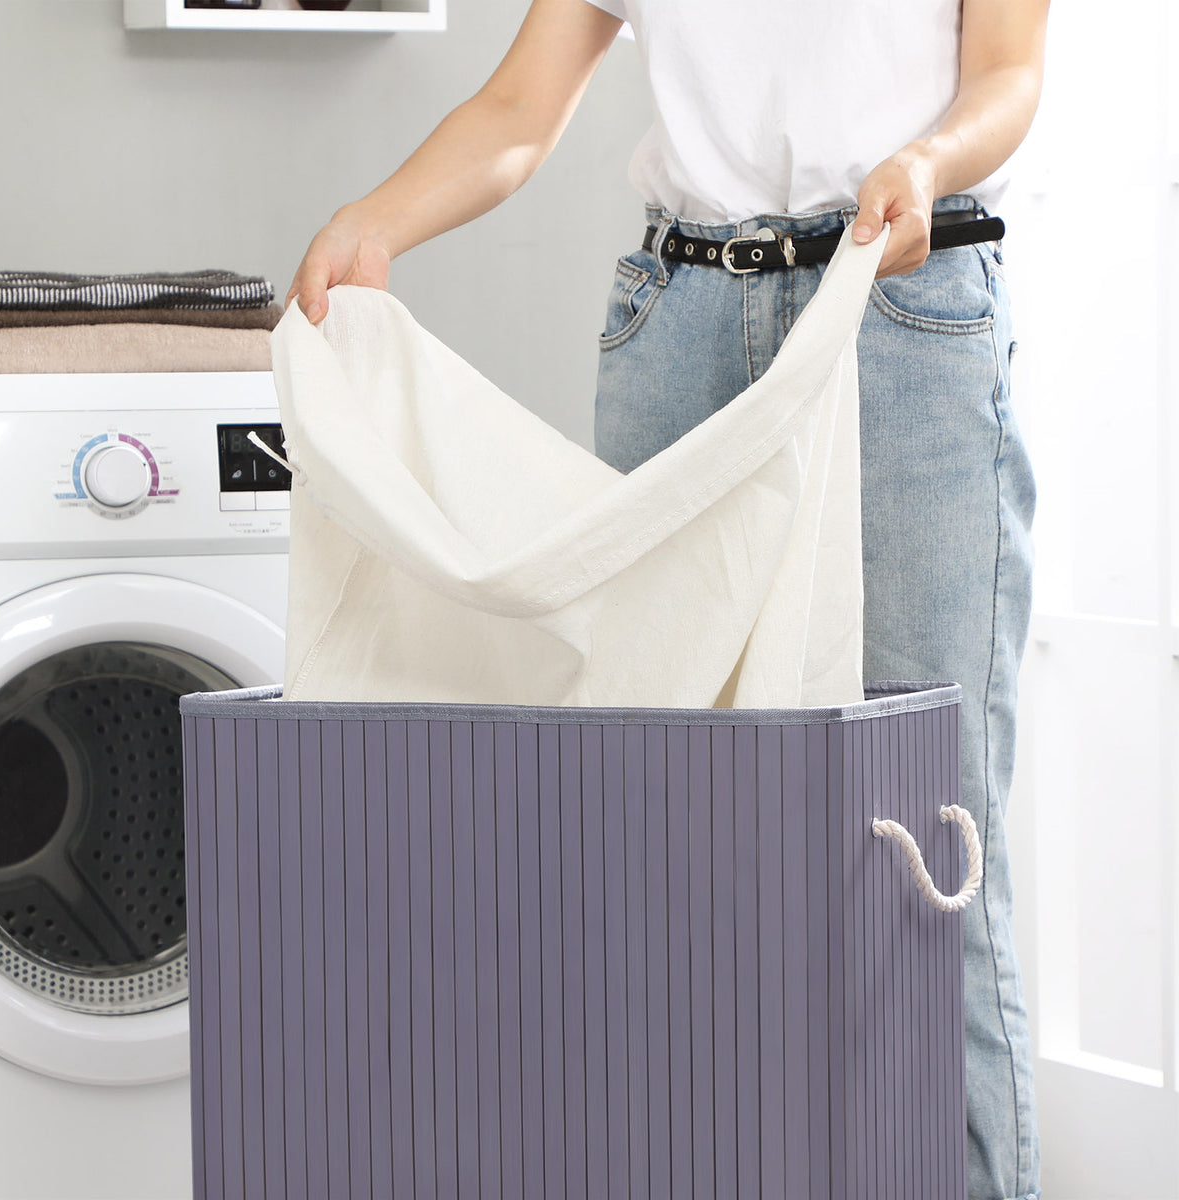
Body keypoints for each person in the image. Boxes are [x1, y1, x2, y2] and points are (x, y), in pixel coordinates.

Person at [288, 2, 1050, 1196]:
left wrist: (927, 159)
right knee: (671, 842)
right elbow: (519, 105)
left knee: (922, 837)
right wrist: (374, 219)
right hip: (681, 321)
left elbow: (1007, 75)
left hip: (901, 299)